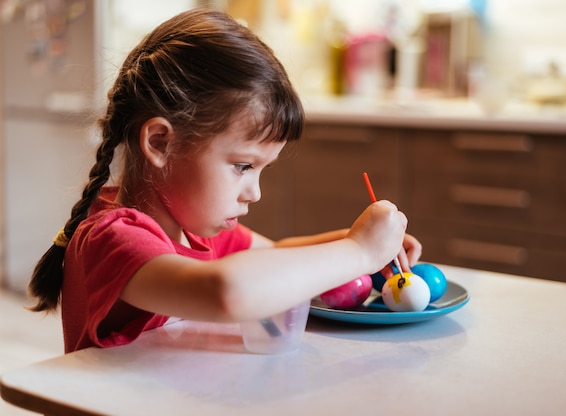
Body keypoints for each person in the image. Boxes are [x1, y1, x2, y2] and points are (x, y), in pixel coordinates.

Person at [28, 8, 422, 353]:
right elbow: (226, 292)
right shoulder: (112, 238)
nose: (255, 193)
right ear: (161, 143)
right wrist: (357, 252)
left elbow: (276, 255)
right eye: (242, 166)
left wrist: (366, 243)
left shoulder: (197, 232)